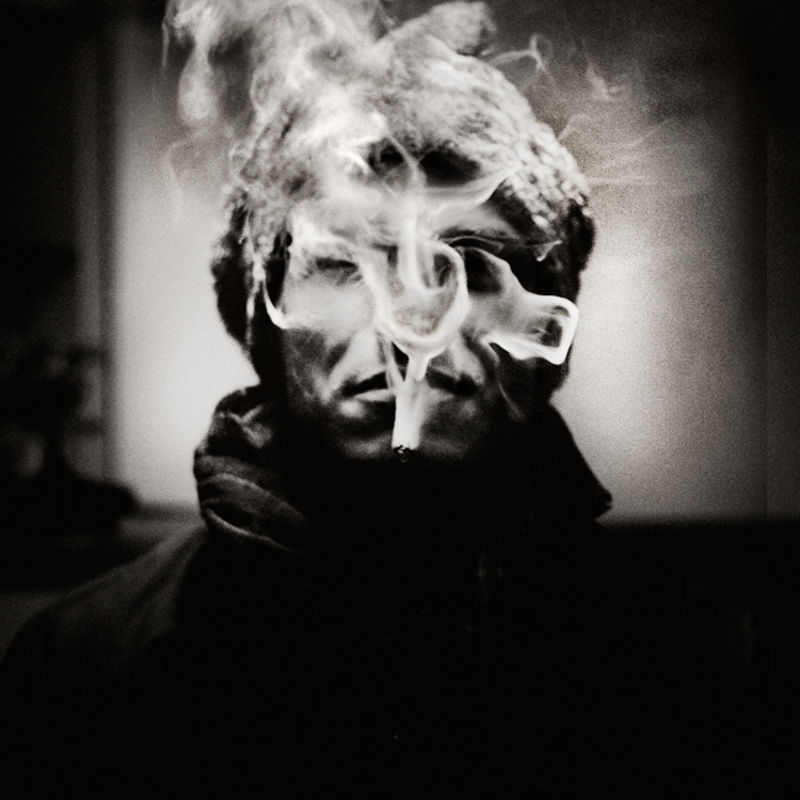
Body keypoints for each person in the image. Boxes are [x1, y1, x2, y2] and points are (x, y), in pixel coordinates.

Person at [0, 2, 782, 797]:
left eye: (476, 261)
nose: (413, 320)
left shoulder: (702, 677)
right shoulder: (84, 677)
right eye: (345, 261)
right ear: (263, 323)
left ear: (550, 335)